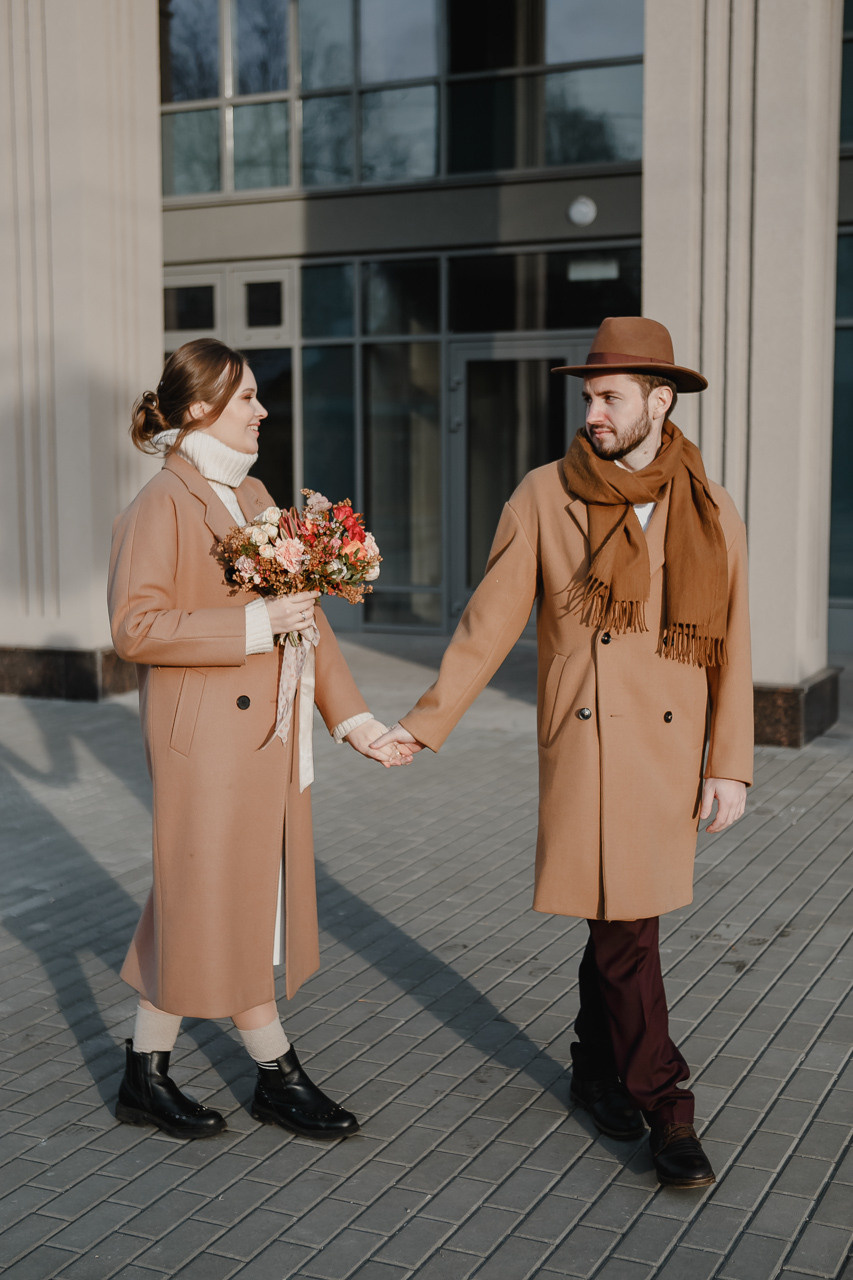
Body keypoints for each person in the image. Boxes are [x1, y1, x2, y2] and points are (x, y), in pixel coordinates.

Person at [373, 317, 753, 1188]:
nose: (593, 412)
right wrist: (425, 722)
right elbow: (490, 619)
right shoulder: (545, 494)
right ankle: (667, 1104)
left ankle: (592, 1068)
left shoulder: (709, 504)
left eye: (610, 397)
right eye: (588, 397)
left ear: (659, 401)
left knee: (619, 917)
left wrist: (727, 761)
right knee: (627, 928)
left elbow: (731, 638)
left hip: (665, 753)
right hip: (586, 746)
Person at [108, 338, 397, 1141]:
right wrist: (249, 623)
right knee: (218, 895)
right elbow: (135, 627)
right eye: (247, 400)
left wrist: (355, 720)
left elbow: (306, 617)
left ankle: (148, 1073)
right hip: (203, 742)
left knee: (215, 895)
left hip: (265, 737)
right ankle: (274, 1072)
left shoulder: (256, 491)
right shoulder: (161, 503)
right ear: (200, 408)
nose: (263, 410)